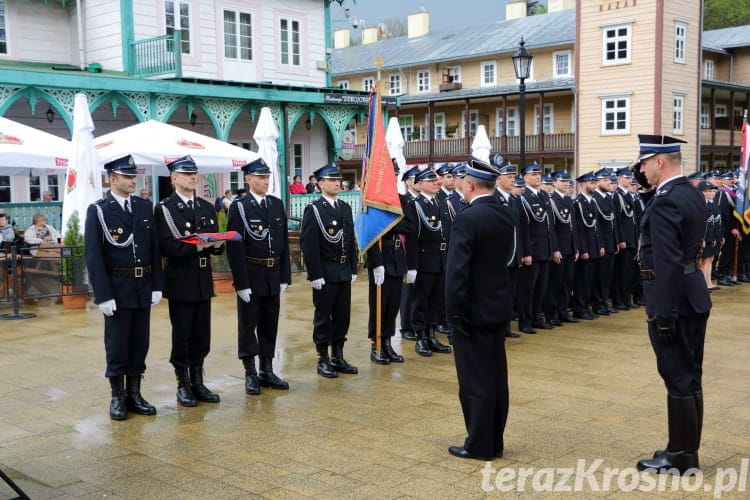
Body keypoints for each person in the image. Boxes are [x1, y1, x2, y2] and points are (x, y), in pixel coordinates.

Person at [632, 135, 711, 475]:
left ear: (660, 162)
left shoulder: (666, 202)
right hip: (693, 292)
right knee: (691, 376)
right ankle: (687, 449)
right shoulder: (689, 193)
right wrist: (648, 192)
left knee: (676, 375)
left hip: (673, 298)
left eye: (645, 163)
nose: (641, 169)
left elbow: (666, 262)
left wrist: (663, 314)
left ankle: (679, 455)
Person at [445, 156, 515, 461]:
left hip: (472, 313)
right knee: (496, 378)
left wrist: (453, 315)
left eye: (463, 181)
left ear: (470, 184)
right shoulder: (504, 213)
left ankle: (479, 444)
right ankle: (495, 441)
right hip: (498, 308)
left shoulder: (467, 218)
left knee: (475, 383)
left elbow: (457, 274)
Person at [84, 155, 163, 421]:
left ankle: (135, 393)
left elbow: (153, 249)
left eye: (134, 176)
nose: (132, 181)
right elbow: (94, 256)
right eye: (127, 177)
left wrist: (156, 284)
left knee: (140, 342)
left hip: (142, 285)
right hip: (117, 288)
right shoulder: (99, 210)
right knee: (117, 344)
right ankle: (117, 396)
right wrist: (102, 295)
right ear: (112, 178)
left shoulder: (143, 207)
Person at [154, 155, 223, 407]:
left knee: (202, 335)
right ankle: (182, 383)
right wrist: (196, 248)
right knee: (182, 334)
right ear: (173, 178)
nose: (193, 177)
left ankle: (198, 381)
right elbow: (168, 247)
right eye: (186, 173)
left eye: (194, 173)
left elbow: (213, 240)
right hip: (181, 279)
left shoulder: (205, 207)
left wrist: (217, 246)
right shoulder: (165, 208)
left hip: (203, 279)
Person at [226, 158, 291, 394]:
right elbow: (235, 247)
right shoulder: (239, 207)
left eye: (267, 177)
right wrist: (241, 283)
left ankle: (267, 369)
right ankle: (250, 372)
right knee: (248, 325)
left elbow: (282, 241)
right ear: (248, 179)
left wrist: (285, 277)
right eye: (260, 177)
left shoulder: (275, 204)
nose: (265, 181)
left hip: (272, 274)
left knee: (269, 324)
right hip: (251, 275)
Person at [300, 164, 359, 378]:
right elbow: (309, 244)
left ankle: (338, 356)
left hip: (343, 269)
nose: (337, 183)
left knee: (342, 316)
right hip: (325, 271)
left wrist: (353, 267)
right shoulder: (314, 209)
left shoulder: (344, 207)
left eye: (338, 180)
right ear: (320, 183)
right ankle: (322, 358)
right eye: (331, 180)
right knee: (324, 317)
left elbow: (350, 240)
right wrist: (314, 273)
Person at [365, 160, 416, 364]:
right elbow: (370, 233)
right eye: (389, 174)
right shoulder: (373, 201)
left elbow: (410, 227)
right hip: (380, 259)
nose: (393, 177)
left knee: (393, 304)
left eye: (395, 174)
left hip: (397, 257)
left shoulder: (403, 200)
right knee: (378, 304)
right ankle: (376, 344)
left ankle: (387, 343)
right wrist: (376, 263)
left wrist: (388, 222)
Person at [411, 168, 452, 356]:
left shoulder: (442, 203)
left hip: (441, 259)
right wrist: (412, 265)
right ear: (419, 184)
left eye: (436, 181)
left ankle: (431, 334)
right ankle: (420, 337)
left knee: (436, 300)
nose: (436, 183)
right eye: (430, 181)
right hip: (425, 260)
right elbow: (413, 237)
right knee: (422, 300)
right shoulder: (415, 205)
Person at [698, 180, 722, 291]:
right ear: (702, 193)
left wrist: (720, 237)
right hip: (706, 237)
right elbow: (701, 225)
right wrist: (702, 238)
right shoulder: (701, 205)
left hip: (713, 236)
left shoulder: (713, 204)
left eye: (713, 191)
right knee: (704, 261)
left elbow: (717, 223)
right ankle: (703, 284)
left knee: (710, 259)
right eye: (709, 191)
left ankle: (709, 281)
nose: (712, 193)